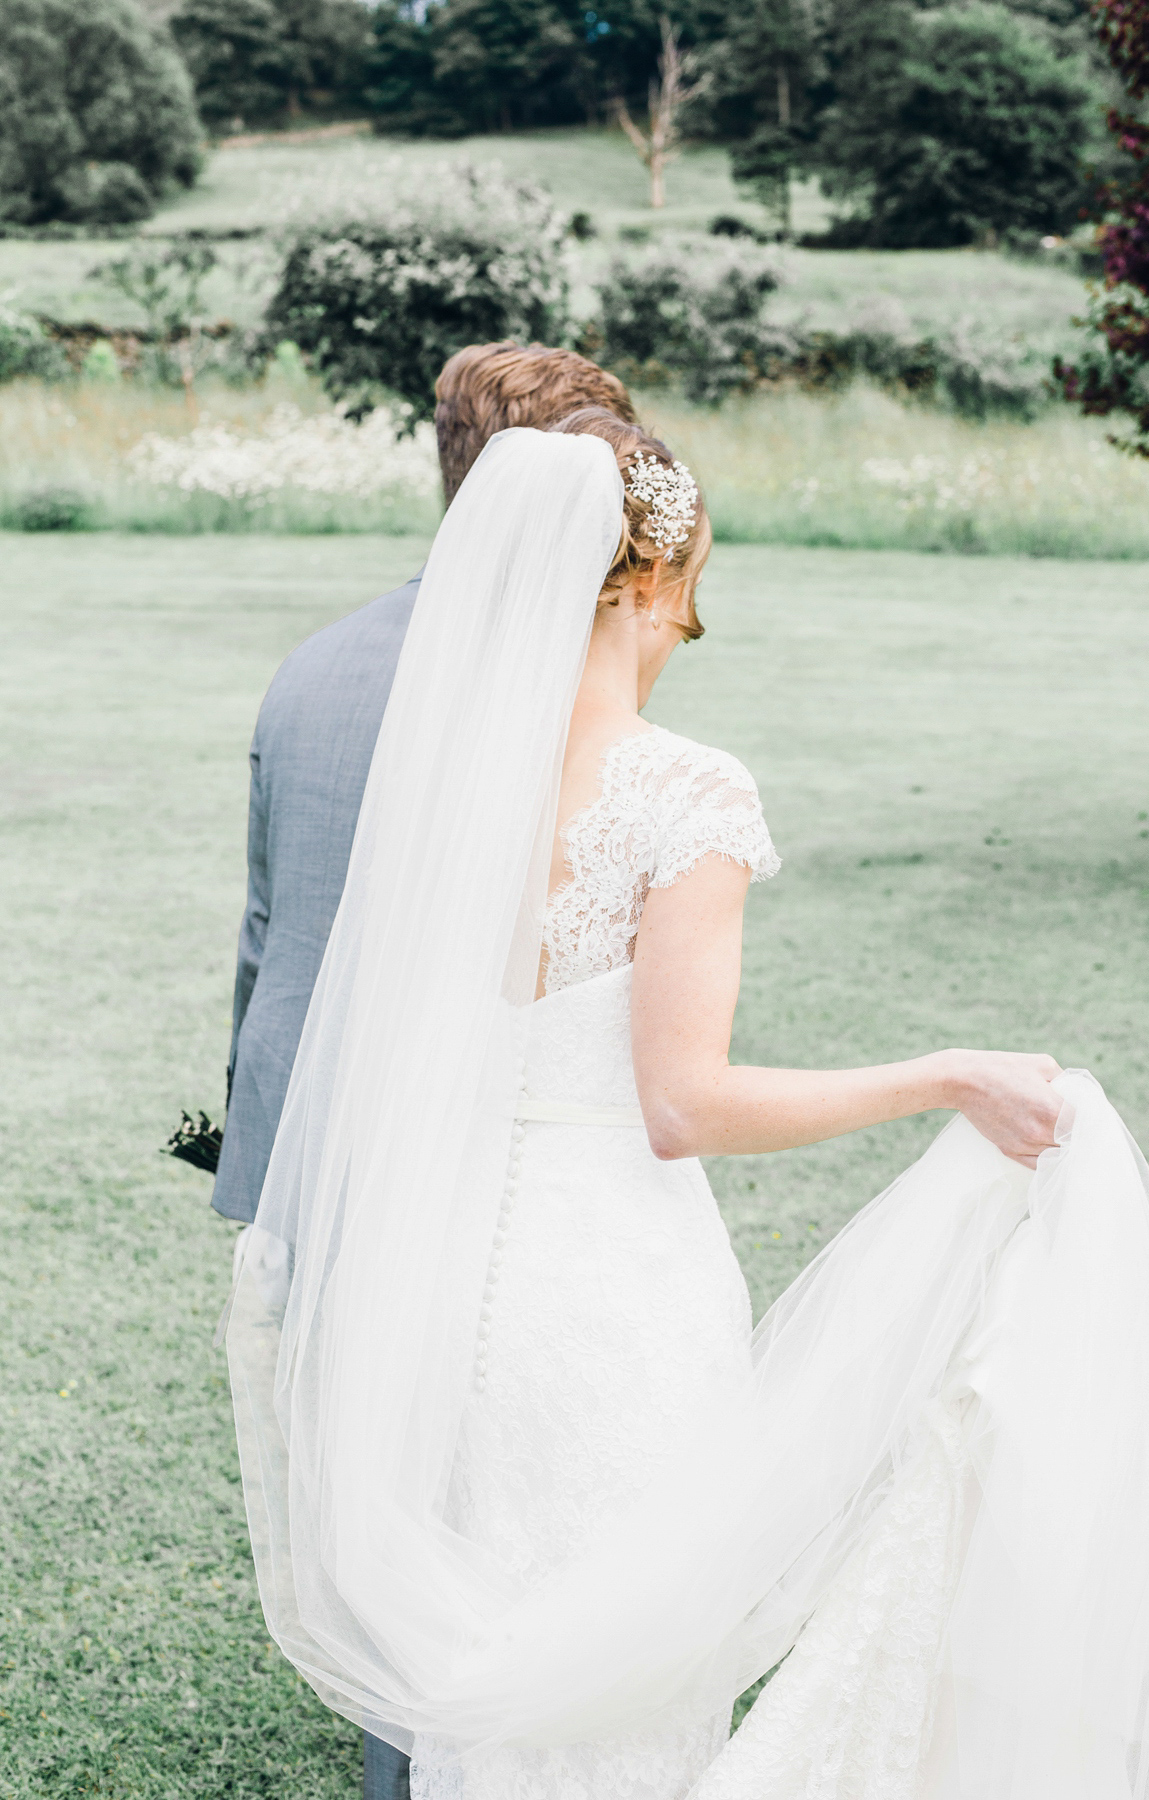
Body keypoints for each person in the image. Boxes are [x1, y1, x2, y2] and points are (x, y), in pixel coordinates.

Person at [224, 420, 1149, 1799]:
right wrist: (951, 1073)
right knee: (633, 1669)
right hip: (611, 1281)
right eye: (694, 582)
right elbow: (684, 1104)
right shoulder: (683, 787)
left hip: (452, 1277)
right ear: (651, 578)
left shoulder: (446, 792)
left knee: (506, 1656)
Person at [212, 345, 636, 1800]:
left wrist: (244, 1144)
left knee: (373, 1469)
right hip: (462, 1135)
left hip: (302, 1130)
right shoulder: (556, 688)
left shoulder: (316, 660)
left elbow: (267, 930)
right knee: (460, 1481)